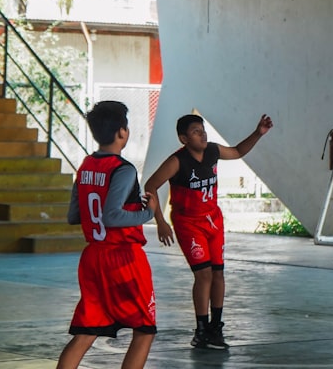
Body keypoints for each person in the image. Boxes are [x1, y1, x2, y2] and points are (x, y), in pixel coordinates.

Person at [143, 113, 274, 350]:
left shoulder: (213, 151)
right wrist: (160, 221)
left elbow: (237, 151)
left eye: (202, 130)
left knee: (218, 274)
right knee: (203, 275)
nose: (202, 134)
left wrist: (258, 133)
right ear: (184, 138)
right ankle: (201, 330)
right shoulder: (177, 161)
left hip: (213, 221)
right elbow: (150, 185)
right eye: (196, 132)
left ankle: (216, 327)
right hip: (188, 223)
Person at [57, 100, 156, 369]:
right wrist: (149, 213)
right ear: (122, 132)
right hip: (123, 258)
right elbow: (112, 216)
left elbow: (73, 216)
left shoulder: (86, 166)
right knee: (144, 330)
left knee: (86, 332)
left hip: (93, 257)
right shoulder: (123, 169)